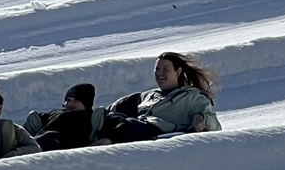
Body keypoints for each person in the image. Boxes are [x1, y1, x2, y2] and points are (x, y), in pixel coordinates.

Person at [93, 52, 221, 145]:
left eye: (166, 69)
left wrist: (201, 118)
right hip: (135, 127)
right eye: (157, 69)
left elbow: (214, 124)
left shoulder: (192, 97)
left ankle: (104, 143)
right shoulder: (147, 96)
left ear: (178, 72)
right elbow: (113, 109)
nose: (160, 73)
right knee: (113, 119)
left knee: (131, 124)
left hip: (157, 130)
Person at [23, 82, 100, 151]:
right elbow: (36, 119)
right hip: (39, 140)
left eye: (76, 101)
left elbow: (110, 124)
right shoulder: (55, 112)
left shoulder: (91, 116)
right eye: (68, 100)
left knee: (45, 139)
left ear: (86, 103)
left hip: (61, 144)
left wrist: (106, 139)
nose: (70, 104)